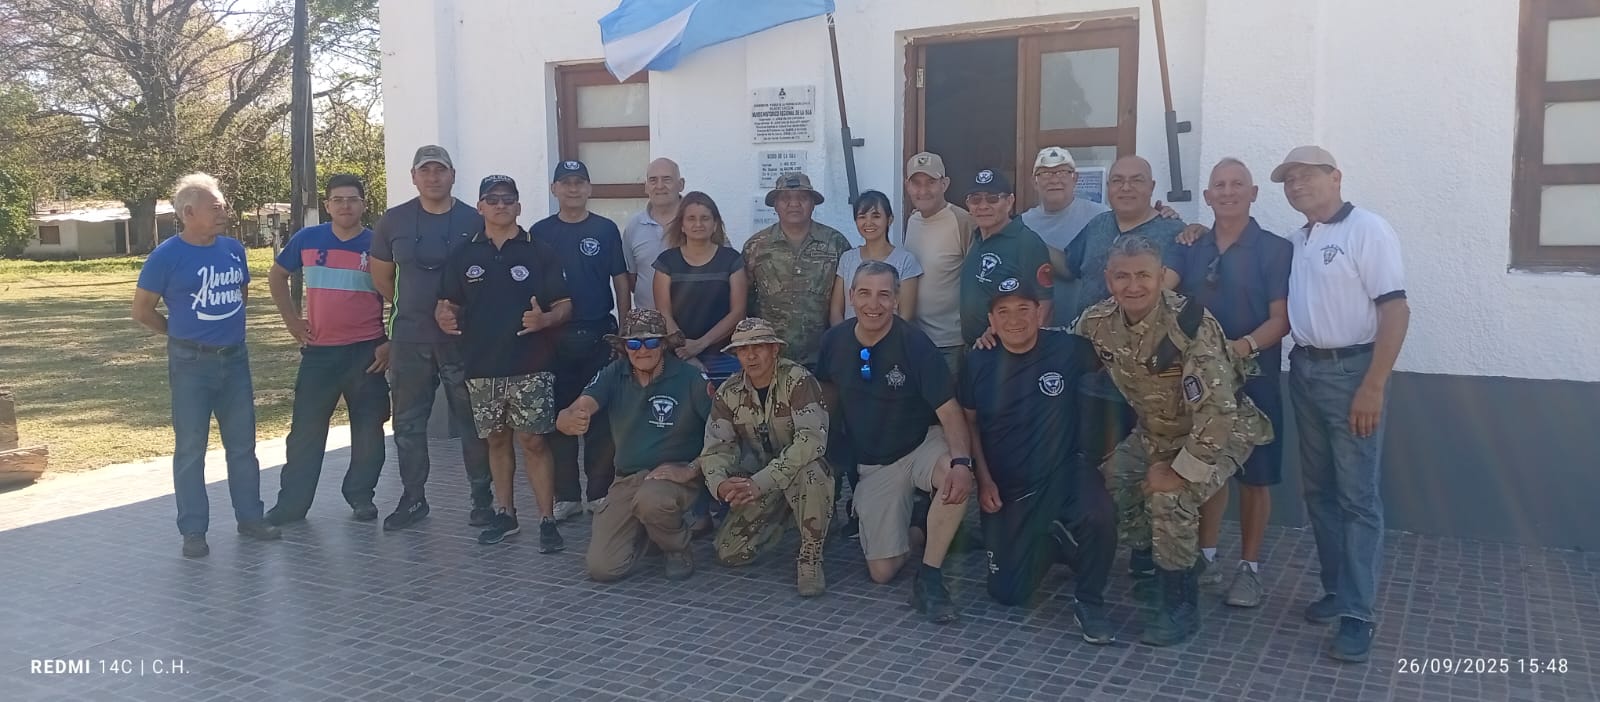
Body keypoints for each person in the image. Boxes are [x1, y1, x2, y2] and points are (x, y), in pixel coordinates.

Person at [1072, 233, 1272, 647]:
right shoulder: (1097, 322)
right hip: (1157, 432)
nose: (1133, 286)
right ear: (1109, 280)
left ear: (1163, 277)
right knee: (1110, 483)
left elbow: (1217, 411)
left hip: (1222, 431)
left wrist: (1180, 472)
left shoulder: (1190, 327)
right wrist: (998, 339)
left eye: (1144, 275)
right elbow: (1057, 350)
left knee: (1170, 496)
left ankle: (1180, 603)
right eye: (1122, 277)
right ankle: (1149, 564)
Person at [1273, 146, 1409, 663]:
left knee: (1357, 498)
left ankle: (1358, 614)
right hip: (1306, 370)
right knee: (1320, 491)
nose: (1296, 185)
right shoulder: (1299, 239)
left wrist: (1373, 385)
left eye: (1306, 175)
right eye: (1289, 179)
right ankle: (1336, 591)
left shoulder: (1367, 229)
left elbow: (1395, 309)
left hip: (1353, 372)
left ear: (1336, 177)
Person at [816, 261, 976, 623]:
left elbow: (949, 411)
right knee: (882, 572)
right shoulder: (834, 341)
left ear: (897, 300)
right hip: (875, 463)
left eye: (884, 295)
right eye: (865, 294)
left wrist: (964, 464)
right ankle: (922, 525)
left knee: (953, 474)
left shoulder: (915, 344)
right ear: (852, 297)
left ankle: (930, 578)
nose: (874, 304)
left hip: (921, 444)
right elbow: (826, 395)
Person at [958, 275, 1116, 643]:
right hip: (1010, 488)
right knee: (1008, 593)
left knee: (1099, 512)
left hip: (1065, 471)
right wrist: (984, 480)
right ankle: (1057, 541)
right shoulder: (977, 361)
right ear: (992, 321)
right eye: (1004, 312)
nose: (1015, 320)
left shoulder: (1070, 348)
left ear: (1040, 312)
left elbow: (1120, 370)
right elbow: (969, 423)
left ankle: (1090, 602)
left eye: (1023, 309)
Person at [132, 172, 281, 557]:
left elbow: (241, 293)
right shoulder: (166, 256)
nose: (223, 212)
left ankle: (250, 518)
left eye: (223, 206)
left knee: (243, 446)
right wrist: (179, 335)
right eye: (215, 207)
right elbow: (143, 310)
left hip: (235, 360)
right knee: (191, 449)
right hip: (190, 364)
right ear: (188, 212)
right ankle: (194, 531)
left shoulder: (233, 249)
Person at [1166, 158, 1292, 607]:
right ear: (1207, 196)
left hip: (1254, 378)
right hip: (1202, 383)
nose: (1228, 191)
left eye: (1237, 184)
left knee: (1255, 477)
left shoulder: (1276, 250)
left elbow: (1282, 320)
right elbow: (1166, 293)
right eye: (1219, 185)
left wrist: (1239, 349)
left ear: (1254, 193)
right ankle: (1206, 557)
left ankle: (1250, 570)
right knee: (1208, 470)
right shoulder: (1191, 246)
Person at [436, 175, 572, 551]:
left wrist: (545, 320)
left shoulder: (539, 251)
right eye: (492, 199)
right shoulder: (463, 255)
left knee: (533, 442)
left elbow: (564, 304)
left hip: (532, 364)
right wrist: (443, 316)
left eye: (508, 198)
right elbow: (448, 304)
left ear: (518, 206)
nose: (500, 205)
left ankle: (546, 519)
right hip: (481, 365)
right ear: (479, 206)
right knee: (497, 441)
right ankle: (506, 514)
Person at [368, 145, 493, 531]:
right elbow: (382, 277)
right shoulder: (394, 220)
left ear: (453, 175)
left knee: (472, 421)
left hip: (462, 339)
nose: (433, 177)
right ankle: (413, 497)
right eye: (426, 171)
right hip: (409, 338)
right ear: (413, 176)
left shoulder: (475, 220)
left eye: (441, 170)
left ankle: (482, 499)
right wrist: (413, 306)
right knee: (408, 422)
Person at [265, 174, 391, 525]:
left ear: (364, 204)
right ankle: (291, 505)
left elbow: (400, 297)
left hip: (367, 353)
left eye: (352, 199)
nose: (345, 206)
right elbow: (276, 277)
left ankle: (361, 496)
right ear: (328, 205)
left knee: (368, 431)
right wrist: (292, 321)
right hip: (320, 353)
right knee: (305, 433)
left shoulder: (378, 244)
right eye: (338, 200)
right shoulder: (308, 239)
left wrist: (390, 343)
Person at [556, 310, 714, 582]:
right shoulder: (613, 374)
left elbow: (725, 434)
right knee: (602, 568)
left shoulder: (691, 379)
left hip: (673, 477)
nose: (642, 350)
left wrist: (691, 470)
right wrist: (567, 419)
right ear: (624, 347)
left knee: (652, 501)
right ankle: (652, 532)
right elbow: (578, 408)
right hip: (627, 479)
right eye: (633, 344)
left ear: (664, 345)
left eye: (651, 342)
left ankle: (677, 548)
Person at [1061, 155, 1186, 488]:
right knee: (1090, 466)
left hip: (1145, 379)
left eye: (1136, 179)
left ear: (1152, 187)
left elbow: (1158, 293)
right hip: (1091, 375)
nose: (1125, 187)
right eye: (1117, 180)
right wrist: (1018, 234)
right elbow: (1066, 265)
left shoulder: (1173, 231)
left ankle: (1142, 540)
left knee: (1142, 473)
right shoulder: (1097, 227)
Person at [697, 318, 833, 596]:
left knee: (812, 473)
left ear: (774, 350)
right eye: (743, 349)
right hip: (760, 479)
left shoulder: (798, 380)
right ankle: (789, 517)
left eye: (758, 347)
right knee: (729, 553)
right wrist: (721, 485)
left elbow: (811, 441)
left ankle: (811, 554)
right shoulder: (729, 393)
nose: (750, 355)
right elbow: (716, 449)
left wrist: (762, 481)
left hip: (795, 473)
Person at [532, 159, 630, 520]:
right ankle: (567, 495)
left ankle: (599, 492)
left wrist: (623, 327)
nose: (572, 189)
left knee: (599, 416)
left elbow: (619, 278)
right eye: (565, 183)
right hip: (553, 338)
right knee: (559, 413)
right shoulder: (539, 232)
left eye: (579, 182)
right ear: (553, 189)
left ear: (589, 189)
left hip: (598, 334)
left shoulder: (605, 230)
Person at [743, 171, 851, 369]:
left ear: (813, 204)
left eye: (802, 198)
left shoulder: (836, 243)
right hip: (770, 359)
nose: (794, 204)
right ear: (775, 205)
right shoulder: (756, 246)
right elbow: (746, 302)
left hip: (824, 358)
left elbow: (848, 301)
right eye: (785, 198)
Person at [652, 191, 747, 384]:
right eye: (691, 218)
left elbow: (738, 312)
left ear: (715, 224)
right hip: (678, 356)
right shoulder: (667, 262)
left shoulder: (731, 260)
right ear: (682, 225)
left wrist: (700, 345)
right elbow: (663, 313)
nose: (698, 224)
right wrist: (686, 351)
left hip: (724, 356)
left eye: (705, 218)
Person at [958, 168, 1054, 347]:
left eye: (993, 198)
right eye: (975, 199)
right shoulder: (976, 237)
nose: (983, 206)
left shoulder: (1027, 243)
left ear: (1009, 202)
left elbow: (1044, 306)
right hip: (976, 350)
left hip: (1007, 354)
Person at [901, 152, 977, 376]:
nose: (923, 191)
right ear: (907, 186)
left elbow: (978, 279)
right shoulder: (912, 220)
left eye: (931, 182)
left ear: (945, 184)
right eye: (916, 183)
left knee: (949, 408)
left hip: (950, 343)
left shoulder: (963, 221)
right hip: (915, 338)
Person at [1020, 147, 1109, 327]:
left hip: (1091, 331)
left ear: (1075, 178)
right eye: (1045, 173)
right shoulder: (1022, 223)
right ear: (1034, 182)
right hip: (1038, 332)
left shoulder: (1102, 218)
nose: (1054, 179)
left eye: (1062, 172)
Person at [830, 190, 921, 325]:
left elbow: (905, 316)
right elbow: (836, 311)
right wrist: (845, 339)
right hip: (850, 342)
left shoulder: (905, 261)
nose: (868, 222)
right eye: (862, 217)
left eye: (876, 216)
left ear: (889, 220)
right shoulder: (847, 259)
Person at [624, 158, 685, 311]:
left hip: (692, 325)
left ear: (681, 184)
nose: (659, 186)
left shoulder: (698, 222)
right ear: (646, 187)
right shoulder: (634, 226)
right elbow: (632, 279)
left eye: (667, 179)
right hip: (648, 327)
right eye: (653, 180)